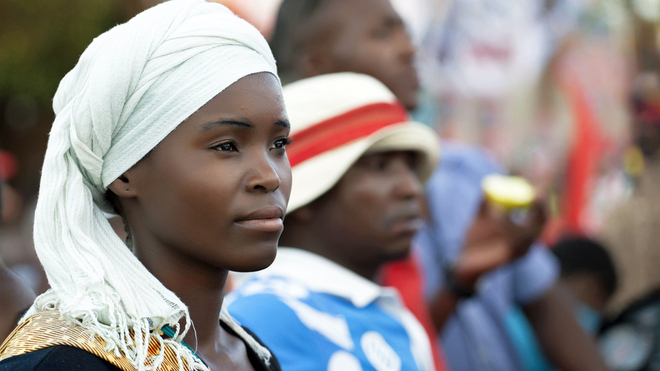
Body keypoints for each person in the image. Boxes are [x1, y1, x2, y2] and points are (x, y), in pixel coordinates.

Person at [269, 1, 606, 370]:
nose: (409, 48)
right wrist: (457, 287)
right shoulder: (269, 265)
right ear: (315, 65)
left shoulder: (471, 171)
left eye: (410, 165)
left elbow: (546, 311)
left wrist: (462, 281)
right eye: (382, 34)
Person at [0, 1, 289, 370]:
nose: (270, 176)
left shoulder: (253, 355)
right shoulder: (65, 362)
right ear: (125, 172)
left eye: (279, 144)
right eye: (226, 146)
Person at [227, 72, 439, 371]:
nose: (411, 188)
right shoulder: (264, 315)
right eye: (380, 166)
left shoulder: (393, 319)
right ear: (305, 196)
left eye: (410, 166)